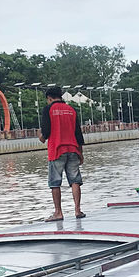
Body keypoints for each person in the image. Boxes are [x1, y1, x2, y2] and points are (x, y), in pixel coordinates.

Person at [39, 85, 84, 220]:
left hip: (57, 150)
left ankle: (58, 212)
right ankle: (77, 210)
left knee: (55, 182)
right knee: (75, 180)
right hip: (73, 149)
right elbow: (78, 133)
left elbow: (46, 131)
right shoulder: (71, 110)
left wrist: (41, 137)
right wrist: (81, 153)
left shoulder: (48, 109)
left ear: (49, 98)